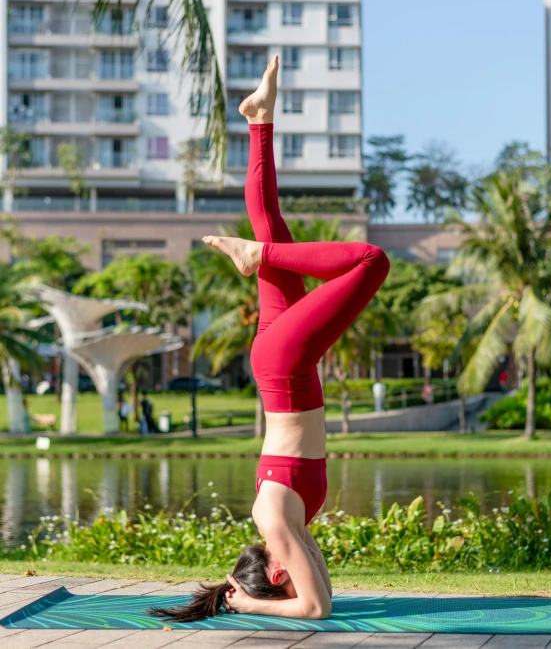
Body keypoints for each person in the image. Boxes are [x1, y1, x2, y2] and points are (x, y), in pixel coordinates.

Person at [150, 57, 390, 623]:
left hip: (285, 367)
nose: (299, 564)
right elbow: (319, 591)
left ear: (275, 572)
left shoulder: (276, 520)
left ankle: (258, 256)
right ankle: (260, 121)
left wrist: (252, 604)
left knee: (369, 260)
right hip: (283, 364)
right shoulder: (290, 527)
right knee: (273, 225)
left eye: (282, 574)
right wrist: (241, 592)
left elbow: (316, 610)